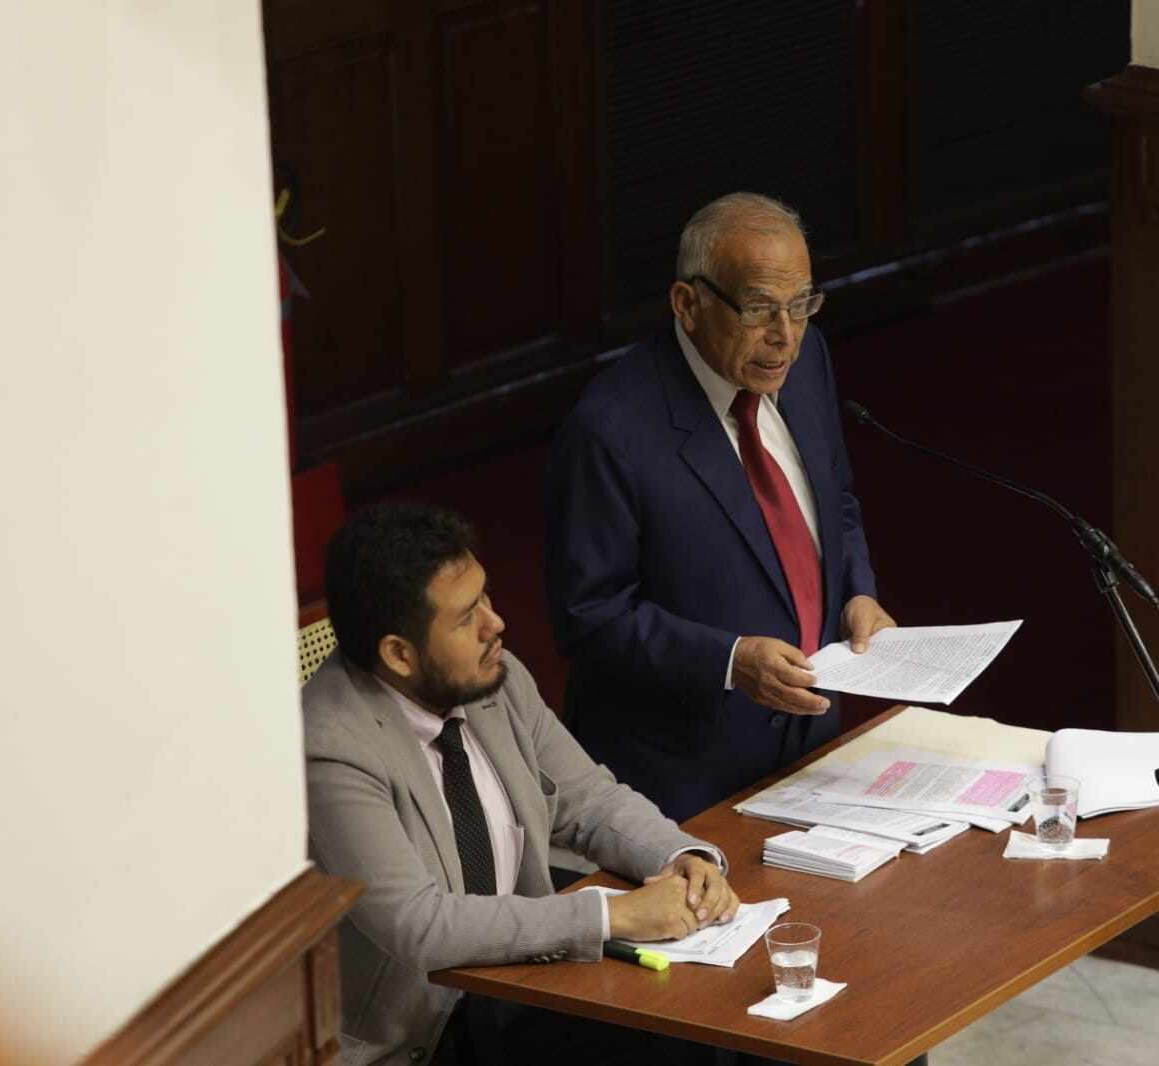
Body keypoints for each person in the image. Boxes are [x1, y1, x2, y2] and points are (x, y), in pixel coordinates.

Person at [305, 502, 739, 1066]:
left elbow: (588, 798)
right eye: (466, 618)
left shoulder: (491, 679)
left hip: (516, 984)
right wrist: (614, 915)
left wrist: (682, 855)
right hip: (419, 1034)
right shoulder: (332, 745)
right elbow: (417, 925)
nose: (496, 623)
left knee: (713, 1026)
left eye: (485, 596)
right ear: (399, 654)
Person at [545, 191, 895, 822]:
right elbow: (590, 619)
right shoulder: (610, 430)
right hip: (681, 786)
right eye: (760, 309)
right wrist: (730, 662)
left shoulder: (806, 361)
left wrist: (856, 592)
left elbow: (834, 499)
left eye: (801, 305)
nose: (783, 337)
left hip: (811, 750)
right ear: (688, 304)